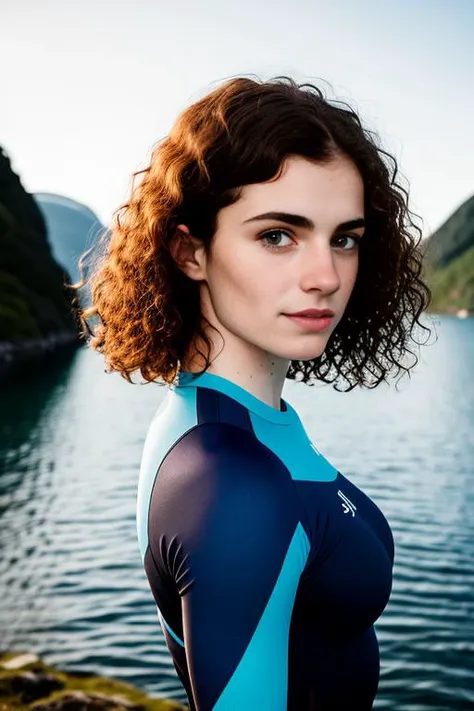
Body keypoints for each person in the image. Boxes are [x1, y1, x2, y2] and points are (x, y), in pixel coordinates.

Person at [75, 75, 432, 710]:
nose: (325, 276)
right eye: (277, 235)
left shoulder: (231, 421)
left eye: (343, 238)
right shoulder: (229, 475)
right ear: (190, 252)